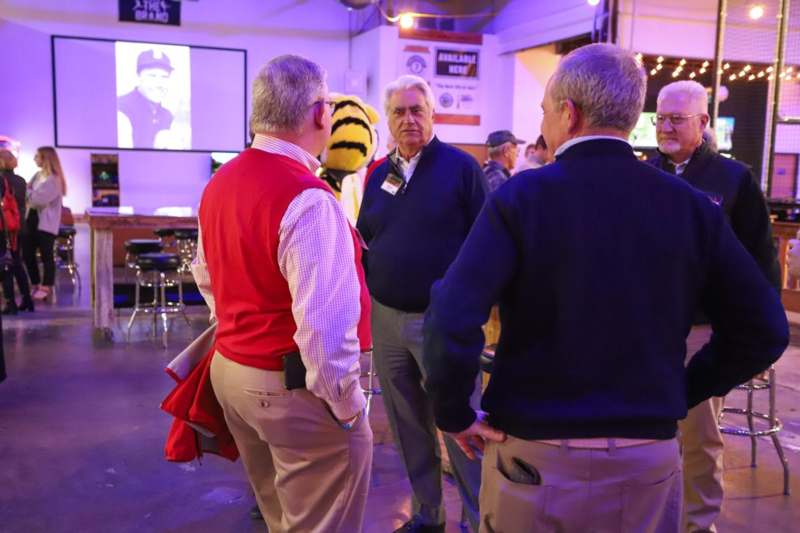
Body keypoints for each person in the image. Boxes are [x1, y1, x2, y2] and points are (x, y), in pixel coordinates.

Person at [422, 43, 788, 533]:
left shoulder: (523, 198)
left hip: (536, 453)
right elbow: (765, 327)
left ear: (568, 115)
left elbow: (450, 315)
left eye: (545, 111)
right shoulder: (690, 205)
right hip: (646, 455)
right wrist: (682, 391)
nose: (543, 124)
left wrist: (451, 411)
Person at [193, 54, 372, 532]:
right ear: (319, 113)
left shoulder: (220, 182)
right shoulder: (309, 198)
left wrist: (242, 324)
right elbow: (323, 327)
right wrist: (348, 405)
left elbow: (205, 274)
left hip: (232, 371)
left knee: (279, 515)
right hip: (289, 385)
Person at [649, 79, 781, 533]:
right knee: (647, 435)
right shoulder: (646, 173)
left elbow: (761, 264)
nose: (665, 127)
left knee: (699, 439)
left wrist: (757, 338)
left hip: (701, 331)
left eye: (676, 119)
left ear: (703, 123)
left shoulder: (733, 179)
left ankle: (697, 525)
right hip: (647, 329)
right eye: (660, 118)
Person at [357, 74, 487, 533]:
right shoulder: (378, 174)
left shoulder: (461, 168)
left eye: (417, 110)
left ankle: (477, 520)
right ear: (388, 119)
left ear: (433, 114)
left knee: (460, 425)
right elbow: (368, 235)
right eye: (399, 111)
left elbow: (484, 243)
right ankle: (427, 515)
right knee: (407, 425)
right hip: (387, 319)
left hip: (441, 322)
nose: (409, 119)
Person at [24, 146, 66, 302]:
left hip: (45, 223)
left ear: (45, 158)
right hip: (31, 219)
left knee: (46, 255)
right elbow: (30, 196)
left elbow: (37, 199)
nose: (35, 159)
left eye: (37, 156)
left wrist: (27, 192)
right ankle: (34, 283)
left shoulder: (54, 179)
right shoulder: (37, 175)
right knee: (27, 254)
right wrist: (29, 193)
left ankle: (46, 286)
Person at [117, 49, 175, 149]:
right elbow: (119, 160)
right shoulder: (121, 109)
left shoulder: (167, 115)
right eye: (152, 76)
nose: (159, 84)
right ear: (138, 77)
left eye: (164, 77)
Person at [0, 150, 34, 314]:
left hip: (4, 228)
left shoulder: (2, 180)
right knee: (17, 263)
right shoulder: (20, 180)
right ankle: (27, 299)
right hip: (17, 226)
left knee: (5, 264)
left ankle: (10, 303)